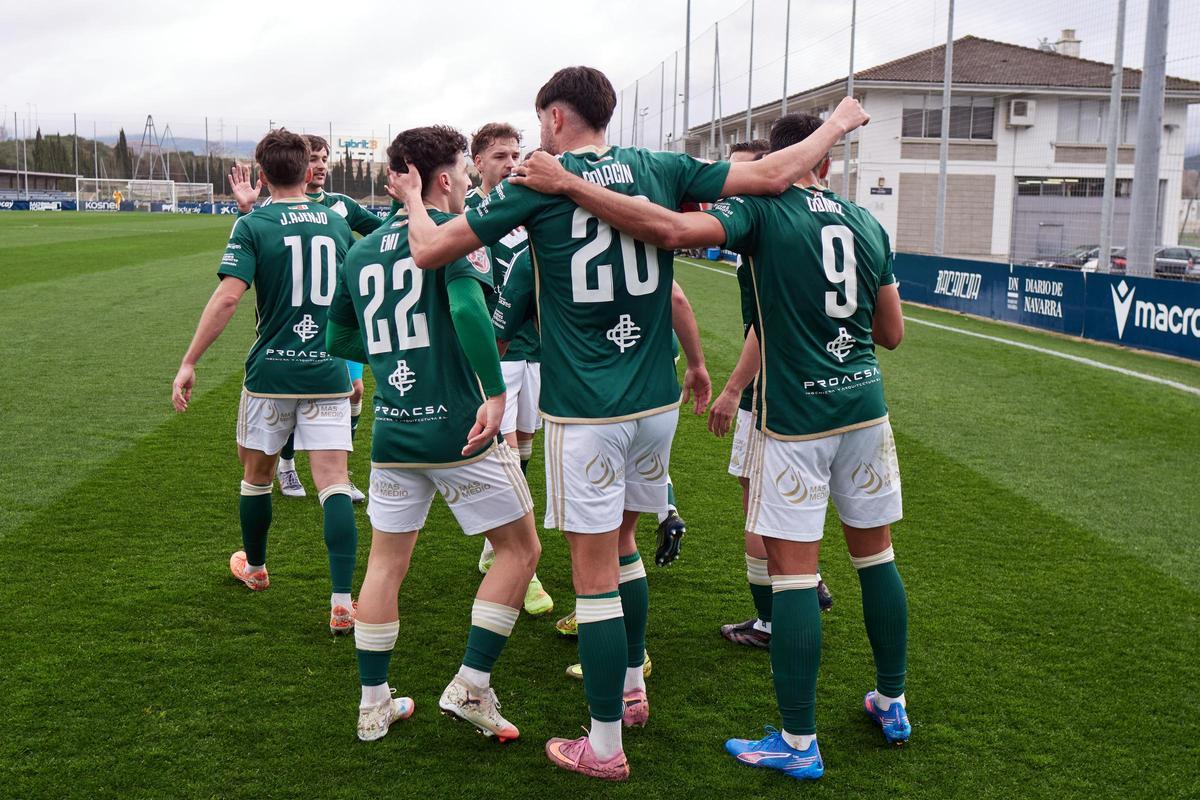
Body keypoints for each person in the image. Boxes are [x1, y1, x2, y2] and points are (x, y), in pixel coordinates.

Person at [390, 65, 869, 781]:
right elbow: (772, 174)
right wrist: (834, 125)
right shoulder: (660, 167)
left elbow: (429, 251)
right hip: (654, 403)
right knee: (626, 546)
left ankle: (605, 744)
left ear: (554, 118)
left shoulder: (536, 182)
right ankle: (634, 687)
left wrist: (409, 200)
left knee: (592, 577)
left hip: (587, 409)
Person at [513, 111, 907, 782]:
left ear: (774, 167)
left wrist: (571, 186)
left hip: (797, 419)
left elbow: (666, 230)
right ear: (828, 166)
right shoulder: (866, 222)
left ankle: (797, 740)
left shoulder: (761, 214)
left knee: (794, 577)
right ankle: (893, 700)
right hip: (867, 410)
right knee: (876, 561)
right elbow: (891, 332)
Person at [326, 125, 541, 744]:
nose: (474, 180)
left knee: (387, 564)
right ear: (442, 178)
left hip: (394, 430)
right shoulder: (457, 232)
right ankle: (471, 686)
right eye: (466, 172)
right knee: (520, 552)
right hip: (459, 428)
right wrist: (494, 392)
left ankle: (373, 704)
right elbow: (471, 311)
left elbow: (341, 339)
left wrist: (395, 366)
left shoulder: (362, 253)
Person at [170, 129, 360, 635]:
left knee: (256, 477)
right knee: (335, 482)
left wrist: (190, 360)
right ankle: (342, 600)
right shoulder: (337, 223)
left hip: (272, 373)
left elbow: (229, 298)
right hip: (327, 371)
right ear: (306, 171)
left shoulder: (253, 224)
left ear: (262, 175)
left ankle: (255, 569)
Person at [716, 140, 833, 650]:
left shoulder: (767, 237)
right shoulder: (811, 227)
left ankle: (773, 618)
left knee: (758, 504)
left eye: (748, 175)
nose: (734, 188)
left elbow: (765, 327)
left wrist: (732, 387)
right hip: (825, 385)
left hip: (771, 392)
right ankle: (807, 579)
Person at [231, 134, 380, 502]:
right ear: (300, 165)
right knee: (294, 400)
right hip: (289, 326)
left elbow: (382, 233)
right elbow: (249, 250)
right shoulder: (268, 207)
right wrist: (246, 210)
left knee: (355, 390)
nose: (321, 165)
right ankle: (287, 465)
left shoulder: (341, 208)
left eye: (326, 158)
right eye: (314, 157)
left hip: (339, 324)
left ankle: (337, 470)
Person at [465, 124, 553, 617]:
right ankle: (514, 554)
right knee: (495, 454)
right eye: (500, 154)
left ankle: (492, 546)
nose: (509, 161)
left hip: (536, 351)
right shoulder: (471, 214)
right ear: (477, 161)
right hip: (496, 353)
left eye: (516, 153)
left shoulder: (527, 209)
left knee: (521, 452)